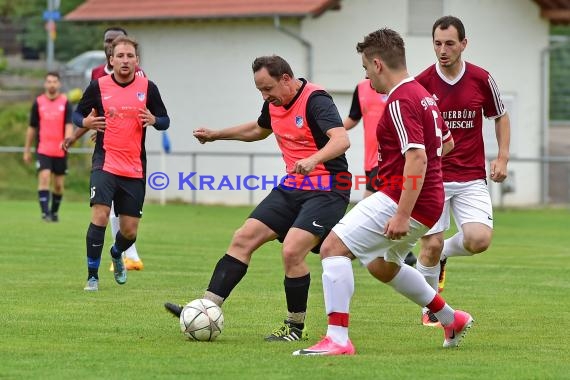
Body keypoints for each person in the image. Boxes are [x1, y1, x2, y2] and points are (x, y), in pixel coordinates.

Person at [293, 28, 473, 356]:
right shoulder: (423, 95)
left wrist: (403, 212)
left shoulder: (400, 99)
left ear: (377, 64)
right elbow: (445, 144)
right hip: (425, 200)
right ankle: (451, 318)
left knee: (332, 247)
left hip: (401, 199)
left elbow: (417, 156)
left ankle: (337, 338)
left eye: (365, 68)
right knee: (380, 265)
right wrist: (425, 181)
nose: (366, 77)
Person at [164, 55, 351, 342]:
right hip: (293, 186)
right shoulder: (274, 102)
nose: (265, 97)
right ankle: (205, 309)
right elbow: (258, 129)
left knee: (291, 250)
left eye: (268, 89)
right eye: (260, 91)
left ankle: (294, 327)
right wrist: (216, 135)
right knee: (243, 237)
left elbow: (341, 140)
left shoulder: (317, 101)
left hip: (328, 188)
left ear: (286, 79)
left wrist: (314, 159)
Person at [414, 16, 510, 326]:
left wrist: (503, 158)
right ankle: (431, 309)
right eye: (438, 44)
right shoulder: (422, 83)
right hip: (434, 177)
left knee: (479, 240)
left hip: (470, 176)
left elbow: (500, 116)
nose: (443, 50)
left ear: (463, 44)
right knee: (429, 245)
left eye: (450, 44)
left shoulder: (482, 79)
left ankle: (444, 254)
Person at [73, 36, 170, 291]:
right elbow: (77, 114)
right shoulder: (98, 86)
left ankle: (117, 253)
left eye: (130, 56)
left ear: (137, 61)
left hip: (134, 167)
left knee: (129, 231)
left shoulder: (148, 87)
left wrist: (153, 119)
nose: (125, 60)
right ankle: (92, 276)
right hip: (105, 162)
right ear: (111, 60)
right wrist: (86, 123)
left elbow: (165, 120)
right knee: (100, 215)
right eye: (120, 56)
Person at [64, 26, 146, 271]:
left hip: (131, 153)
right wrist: (79, 132)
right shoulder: (97, 74)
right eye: (108, 41)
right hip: (106, 151)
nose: (110, 44)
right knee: (102, 209)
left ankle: (123, 251)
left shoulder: (139, 75)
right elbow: (90, 109)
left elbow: (141, 108)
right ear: (107, 50)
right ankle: (99, 270)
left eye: (115, 41)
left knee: (128, 224)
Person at [344, 79, 417, 267]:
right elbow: (353, 118)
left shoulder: (400, 88)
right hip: (370, 160)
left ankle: (360, 247)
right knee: (377, 204)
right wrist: (329, 130)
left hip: (390, 159)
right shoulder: (360, 88)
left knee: (368, 203)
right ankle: (401, 252)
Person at [24, 72, 73, 222]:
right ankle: (45, 214)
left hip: (60, 150)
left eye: (54, 81)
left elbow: (69, 125)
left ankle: (54, 212)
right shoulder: (38, 102)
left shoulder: (65, 103)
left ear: (58, 84)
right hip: (43, 149)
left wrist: (67, 142)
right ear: (45, 84)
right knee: (44, 177)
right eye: (49, 81)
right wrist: (27, 149)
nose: (52, 84)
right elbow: (32, 127)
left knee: (58, 185)